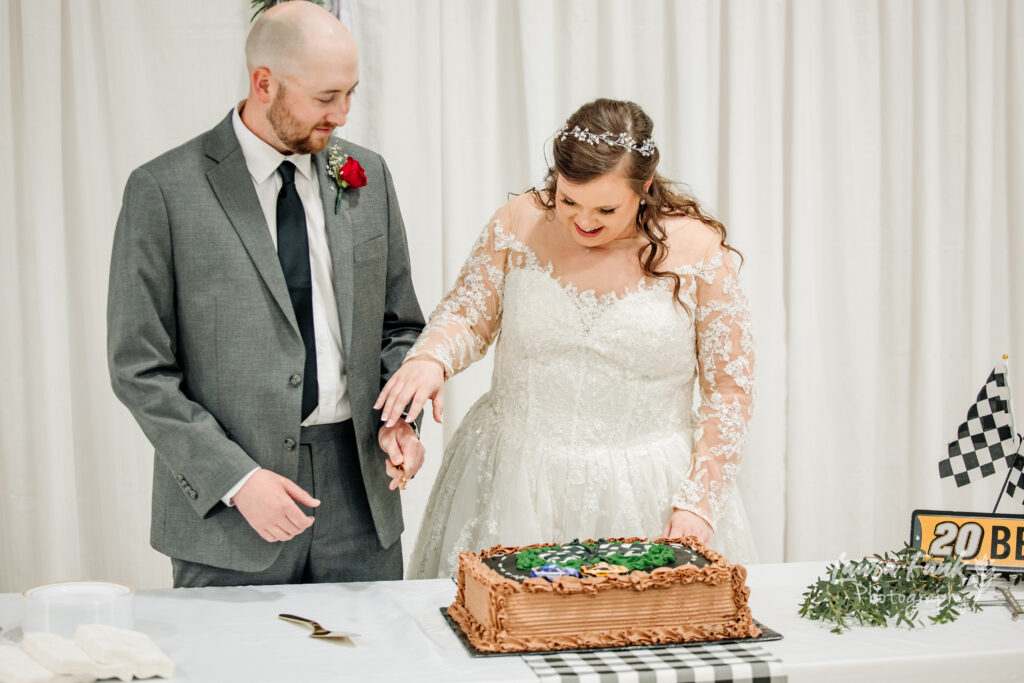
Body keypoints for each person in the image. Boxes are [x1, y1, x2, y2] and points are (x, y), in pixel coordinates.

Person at [107, 2, 425, 587]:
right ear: (264, 83)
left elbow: (399, 326)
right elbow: (139, 367)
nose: (343, 114)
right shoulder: (163, 190)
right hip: (230, 517)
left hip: (362, 500)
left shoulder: (367, 174)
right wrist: (235, 479)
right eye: (326, 97)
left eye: (351, 93)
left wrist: (398, 419)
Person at [376, 98, 757, 578]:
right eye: (568, 200)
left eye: (606, 208)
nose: (583, 221)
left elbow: (729, 388)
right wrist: (432, 358)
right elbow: (468, 317)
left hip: (646, 490)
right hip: (511, 474)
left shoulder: (698, 249)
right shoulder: (518, 223)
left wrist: (700, 501)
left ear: (645, 188)